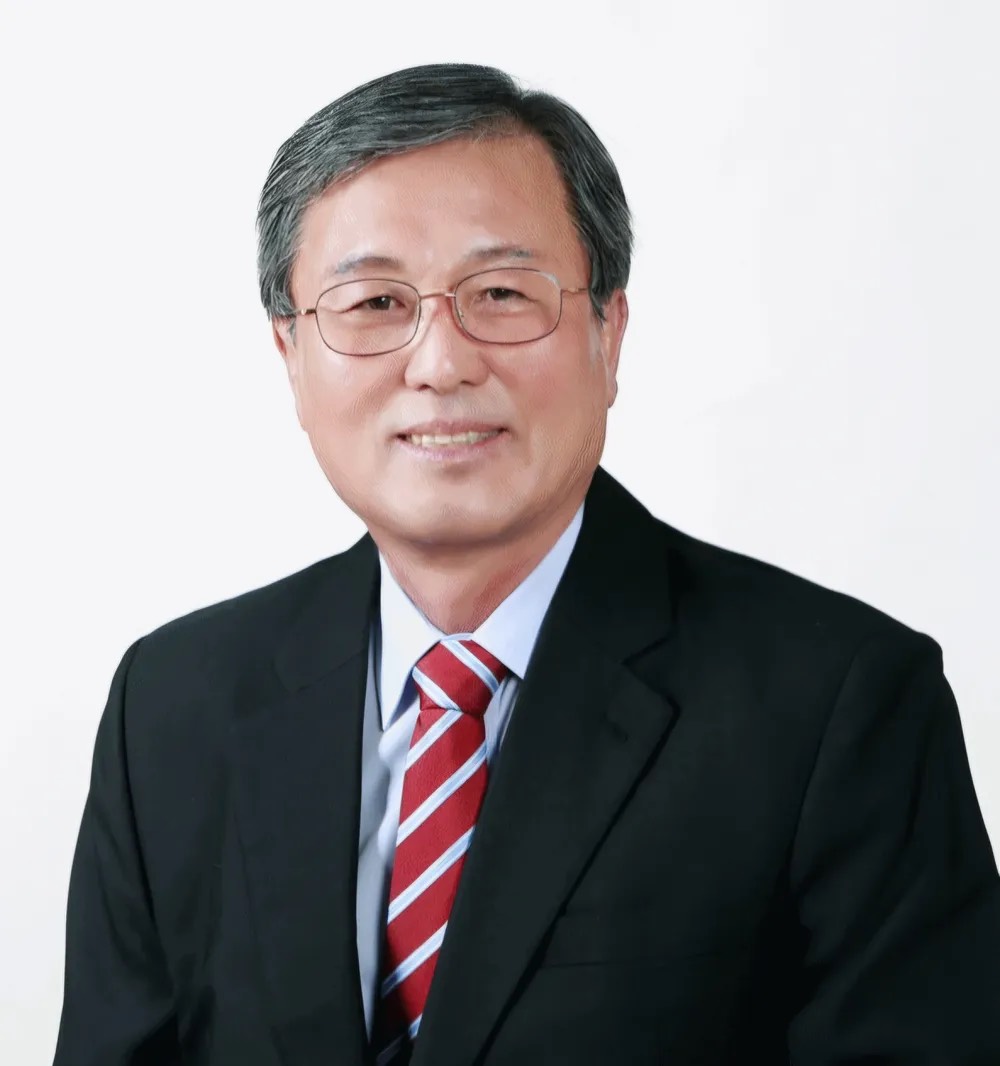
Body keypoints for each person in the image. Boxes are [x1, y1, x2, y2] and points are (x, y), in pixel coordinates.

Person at [53, 62, 1000, 1066]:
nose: (440, 363)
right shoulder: (173, 708)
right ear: (290, 356)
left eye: (501, 293)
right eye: (374, 303)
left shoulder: (838, 705)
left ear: (608, 334)